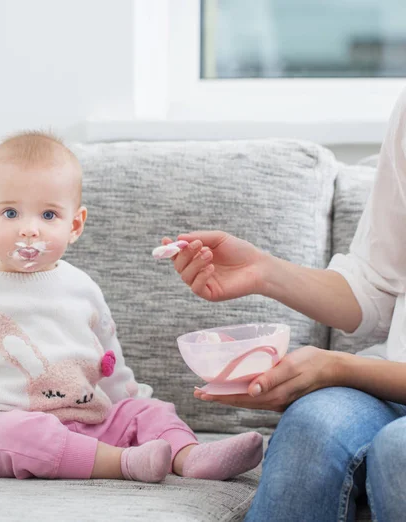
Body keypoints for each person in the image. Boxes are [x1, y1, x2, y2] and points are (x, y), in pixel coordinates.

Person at [0, 131, 264, 483]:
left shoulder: (82, 287)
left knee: (149, 410)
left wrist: (132, 410)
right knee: (23, 434)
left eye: (48, 215)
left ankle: (189, 455)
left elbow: (110, 362)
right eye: (11, 213)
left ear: (75, 225)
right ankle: (124, 463)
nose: (29, 230)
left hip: (89, 420)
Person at [163, 88, 406, 521]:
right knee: (311, 427)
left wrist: (338, 367)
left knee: (399, 451)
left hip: (387, 384)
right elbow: (379, 287)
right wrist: (262, 271)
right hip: (390, 382)